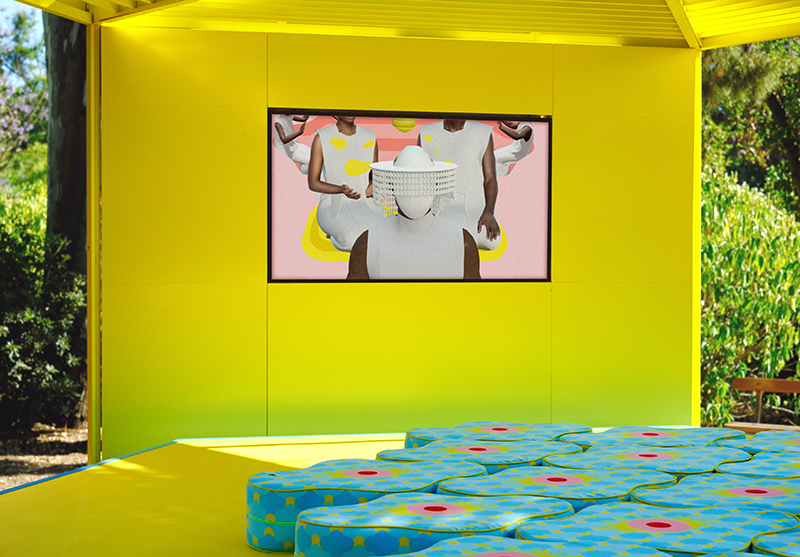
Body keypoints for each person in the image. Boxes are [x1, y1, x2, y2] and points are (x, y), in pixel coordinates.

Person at [347, 146, 480, 280]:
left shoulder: (463, 242)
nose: (414, 191)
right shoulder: (367, 245)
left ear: (436, 185)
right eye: (406, 182)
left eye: (423, 182)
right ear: (392, 185)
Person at [417, 119, 501, 250]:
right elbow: (420, 178)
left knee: (490, 241)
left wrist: (489, 211)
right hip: (437, 214)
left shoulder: (482, 132)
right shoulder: (427, 132)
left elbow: (489, 178)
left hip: (474, 213)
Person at [308, 116, 382, 252]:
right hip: (333, 205)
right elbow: (313, 183)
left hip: (364, 203)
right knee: (352, 241)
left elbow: (373, 174)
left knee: (380, 238)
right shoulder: (322, 137)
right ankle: (335, 236)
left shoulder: (369, 136)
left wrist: (372, 184)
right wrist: (341, 189)